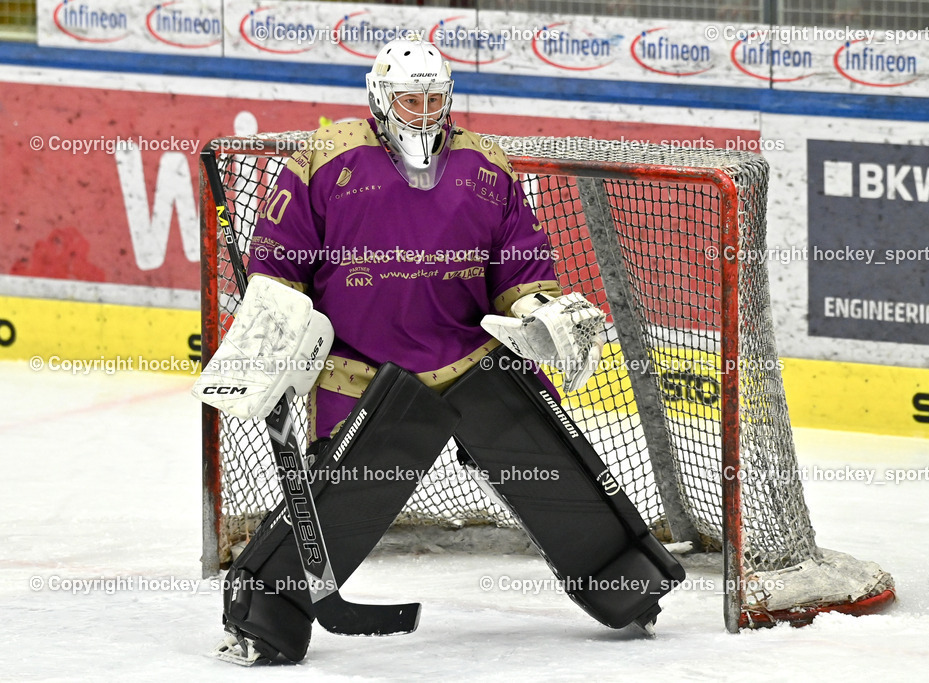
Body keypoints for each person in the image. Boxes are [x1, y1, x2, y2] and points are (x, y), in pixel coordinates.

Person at [195, 36, 683, 666]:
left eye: (434, 99)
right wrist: (277, 330)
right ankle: (262, 621)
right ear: (380, 97)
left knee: (555, 467)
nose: (422, 113)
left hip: (472, 355)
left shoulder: (487, 166)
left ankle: (630, 586)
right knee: (340, 499)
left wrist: (536, 309)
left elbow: (520, 265)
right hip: (362, 368)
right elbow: (278, 267)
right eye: (408, 99)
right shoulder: (324, 159)